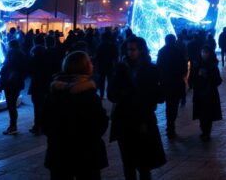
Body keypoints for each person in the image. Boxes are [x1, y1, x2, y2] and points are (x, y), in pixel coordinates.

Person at [42, 51, 109, 180]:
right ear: (83, 67)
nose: (92, 65)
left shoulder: (54, 94)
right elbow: (100, 125)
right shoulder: (89, 96)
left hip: (59, 153)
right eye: (89, 62)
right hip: (87, 154)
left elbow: (45, 123)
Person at [108, 37, 166, 180]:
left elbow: (158, 95)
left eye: (133, 49)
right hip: (124, 120)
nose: (129, 53)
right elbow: (111, 94)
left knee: (144, 163)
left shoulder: (151, 69)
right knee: (128, 163)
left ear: (141, 50)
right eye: (128, 49)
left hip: (143, 120)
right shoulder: (120, 69)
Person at [157, 34, 188, 138]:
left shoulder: (161, 51)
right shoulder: (178, 51)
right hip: (176, 82)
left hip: (165, 83)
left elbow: (158, 67)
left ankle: (170, 126)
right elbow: (184, 67)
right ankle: (171, 125)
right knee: (173, 105)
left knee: (169, 105)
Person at [190, 45, 223, 141]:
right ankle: (203, 130)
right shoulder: (197, 64)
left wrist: (206, 75)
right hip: (199, 93)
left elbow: (218, 80)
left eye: (206, 52)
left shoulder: (212, 65)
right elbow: (192, 78)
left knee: (207, 114)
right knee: (201, 113)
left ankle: (207, 132)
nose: (204, 54)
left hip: (209, 94)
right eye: (202, 52)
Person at [0, 39, 28, 135]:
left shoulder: (11, 53)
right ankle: (13, 126)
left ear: (10, 45)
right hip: (18, 83)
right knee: (13, 104)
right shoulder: (22, 54)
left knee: (11, 105)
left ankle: (13, 127)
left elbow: (5, 68)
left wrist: (2, 69)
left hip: (10, 83)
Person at [27, 34, 54, 135]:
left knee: (37, 105)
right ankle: (42, 125)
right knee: (43, 104)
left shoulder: (34, 53)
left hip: (38, 82)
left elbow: (30, 68)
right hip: (46, 83)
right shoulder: (48, 52)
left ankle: (37, 125)